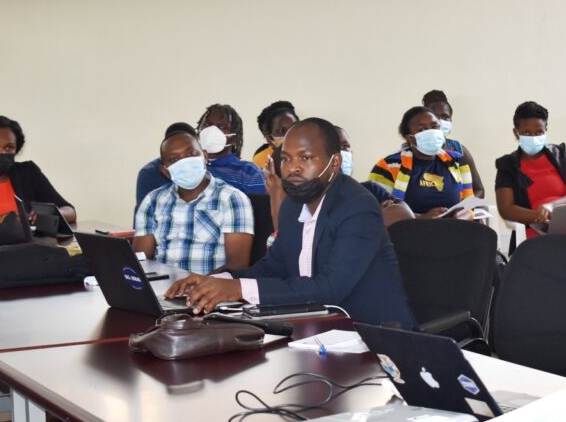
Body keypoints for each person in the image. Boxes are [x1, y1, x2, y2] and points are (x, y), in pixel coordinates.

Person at [165, 118, 416, 329]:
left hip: (371, 335)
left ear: (334, 163)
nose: (293, 168)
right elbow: (274, 267)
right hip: (314, 328)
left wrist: (238, 289)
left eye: (305, 158)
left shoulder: (357, 207)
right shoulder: (293, 204)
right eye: (286, 159)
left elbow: (329, 289)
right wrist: (216, 281)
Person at [134, 131, 254, 273]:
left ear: (205, 156)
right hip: (162, 288)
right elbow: (140, 260)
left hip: (210, 290)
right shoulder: (152, 201)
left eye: (191, 154)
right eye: (174, 160)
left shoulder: (232, 199)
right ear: (165, 171)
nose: (184, 162)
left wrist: (197, 285)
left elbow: (238, 266)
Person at [494, 101, 566, 240]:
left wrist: (552, 207)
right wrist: (540, 216)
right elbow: (506, 209)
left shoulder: (559, 154)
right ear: (516, 132)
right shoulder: (507, 164)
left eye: (539, 132)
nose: (533, 137)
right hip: (538, 229)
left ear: (546, 130)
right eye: (526, 132)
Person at [368, 106, 474, 218]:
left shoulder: (457, 161)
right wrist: (422, 218)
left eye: (435, 127)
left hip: (455, 231)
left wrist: (463, 216)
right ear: (410, 138)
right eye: (423, 129)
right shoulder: (388, 166)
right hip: (408, 233)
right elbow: (379, 213)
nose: (431, 132)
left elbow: (469, 205)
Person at [335, 125, 414, 228]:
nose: (342, 153)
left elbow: (405, 216)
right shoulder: (314, 196)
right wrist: (378, 214)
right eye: (335, 147)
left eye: (345, 147)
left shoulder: (371, 189)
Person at [422, 90, 485, 198]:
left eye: (445, 117)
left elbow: (479, 190)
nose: (440, 122)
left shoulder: (459, 151)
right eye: (435, 117)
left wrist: (464, 207)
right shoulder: (412, 151)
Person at [196, 103, 267, 195]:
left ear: (235, 138)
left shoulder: (249, 172)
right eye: (207, 124)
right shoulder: (189, 166)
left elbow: (258, 208)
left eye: (222, 127)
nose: (212, 130)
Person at [135, 122, 197, 209]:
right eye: (175, 157)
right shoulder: (149, 173)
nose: (183, 160)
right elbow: (144, 213)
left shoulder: (203, 167)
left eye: (189, 152)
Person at [252, 100, 298, 171]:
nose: (289, 134)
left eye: (293, 127)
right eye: (280, 131)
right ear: (269, 138)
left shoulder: (311, 150)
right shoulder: (260, 160)